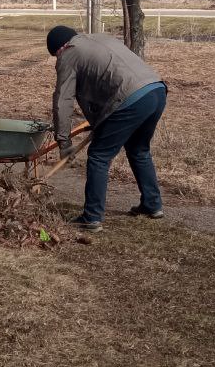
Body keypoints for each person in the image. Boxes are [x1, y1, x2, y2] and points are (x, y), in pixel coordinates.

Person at [47, 25, 167, 232]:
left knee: (98, 156)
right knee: (139, 150)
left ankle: (91, 217)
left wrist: (63, 141)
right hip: (156, 90)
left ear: (60, 48)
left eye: (55, 54)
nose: (57, 59)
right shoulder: (100, 39)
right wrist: (100, 123)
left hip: (130, 98)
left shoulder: (68, 54)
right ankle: (152, 205)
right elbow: (106, 81)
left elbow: (63, 101)